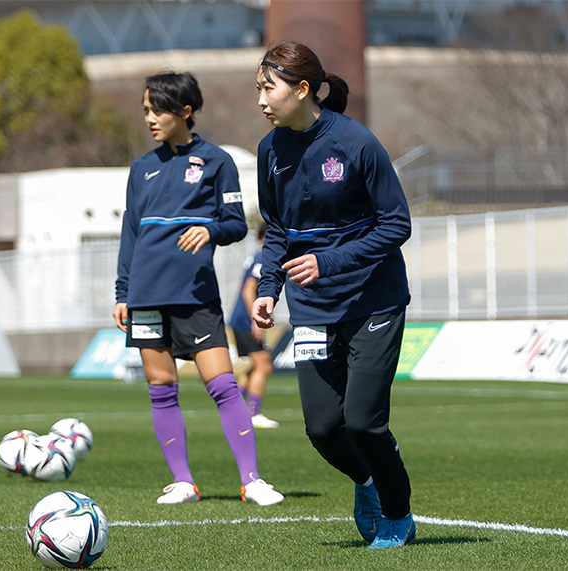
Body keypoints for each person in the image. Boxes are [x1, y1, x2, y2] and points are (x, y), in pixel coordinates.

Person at [251, 42, 415, 548]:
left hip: (373, 301)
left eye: (269, 88)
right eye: (258, 89)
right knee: (323, 429)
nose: (261, 100)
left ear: (302, 89)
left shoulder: (356, 142)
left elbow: (397, 224)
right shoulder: (269, 151)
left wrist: (328, 262)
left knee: (363, 423)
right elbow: (278, 231)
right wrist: (269, 288)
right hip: (313, 310)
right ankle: (367, 483)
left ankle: (398, 516)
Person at [114, 71, 284, 507]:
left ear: (185, 111)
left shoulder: (217, 162)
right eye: (146, 110)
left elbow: (235, 225)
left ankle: (252, 481)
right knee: (161, 388)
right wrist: (122, 292)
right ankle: (183, 483)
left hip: (195, 295)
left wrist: (209, 230)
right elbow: (130, 234)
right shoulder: (141, 168)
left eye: (157, 110)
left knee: (223, 385)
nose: (150, 119)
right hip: (146, 298)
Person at [229, 223, 280, 429]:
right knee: (264, 365)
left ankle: (233, 406)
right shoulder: (263, 257)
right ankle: (253, 414)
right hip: (245, 321)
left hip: (240, 319)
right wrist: (254, 321)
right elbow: (248, 289)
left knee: (258, 364)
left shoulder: (257, 256)